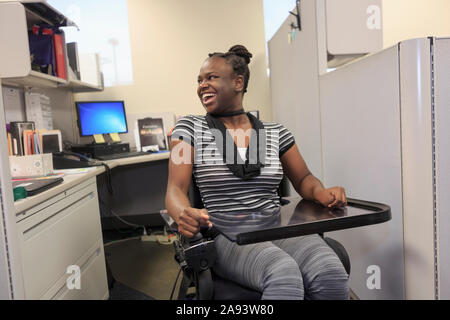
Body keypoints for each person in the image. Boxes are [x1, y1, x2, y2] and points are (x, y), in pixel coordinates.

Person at [165, 45, 349, 300]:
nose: (202, 85)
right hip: (227, 234)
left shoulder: (276, 132)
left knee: (330, 272)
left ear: (238, 82)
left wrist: (321, 192)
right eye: (199, 80)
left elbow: (304, 179)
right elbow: (175, 189)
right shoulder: (186, 130)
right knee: (283, 274)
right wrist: (183, 213)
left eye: (211, 78)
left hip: (275, 225)